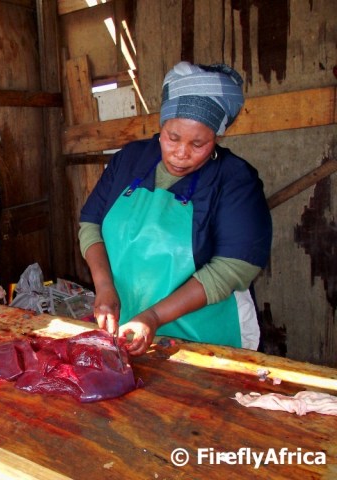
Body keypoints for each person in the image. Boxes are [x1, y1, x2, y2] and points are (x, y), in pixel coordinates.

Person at [79, 61, 272, 356]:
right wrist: (105, 286)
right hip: (130, 326)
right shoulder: (130, 159)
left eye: (198, 144)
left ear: (216, 138)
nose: (181, 153)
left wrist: (155, 316)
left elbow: (233, 267)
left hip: (205, 338)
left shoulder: (234, 180)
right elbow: (91, 224)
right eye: (172, 138)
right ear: (162, 125)